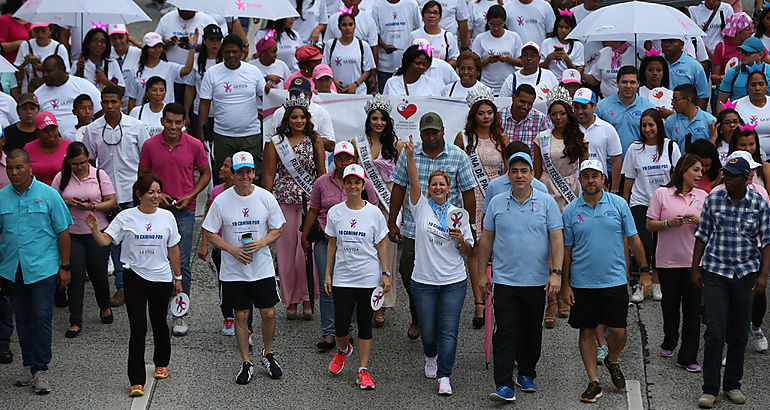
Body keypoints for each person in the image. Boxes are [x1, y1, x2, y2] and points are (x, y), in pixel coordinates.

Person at [561, 159, 652, 404]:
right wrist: (565, 284)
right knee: (587, 330)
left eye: (595, 176)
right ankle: (594, 381)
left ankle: (612, 360)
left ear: (604, 179)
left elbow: (633, 239)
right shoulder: (570, 211)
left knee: (620, 331)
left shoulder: (620, 204)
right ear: (580, 180)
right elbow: (567, 251)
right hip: (582, 283)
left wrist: (645, 271)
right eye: (586, 176)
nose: (590, 180)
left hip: (613, 280)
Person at [85, 174, 181, 397]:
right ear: (139, 194)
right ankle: (136, 380)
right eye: (151, 192)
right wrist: (93, 229)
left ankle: (161, 362)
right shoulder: (125, 217)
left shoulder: (167, 217)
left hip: (161, 277)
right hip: (134, 276)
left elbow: (173, 249)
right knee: (138, 328)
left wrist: (178, 278)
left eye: (158, 191)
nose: (156, 196)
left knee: (159, 322)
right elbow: (105, 241)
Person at [478, 151, 563, 402]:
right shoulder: (497, 202)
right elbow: (486, 239)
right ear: (508, 174)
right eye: (514, 170)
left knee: (531, 331)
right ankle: (504, 385)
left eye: (524, 170)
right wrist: (483, 273)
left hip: (536, 281)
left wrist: (556, 272)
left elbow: (556, 237)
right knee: (504, 333)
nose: (519, 175)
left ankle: (526, 373)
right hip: (504, 280)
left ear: (532, 174)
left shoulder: (546, 202)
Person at [388, 112, 477, 339]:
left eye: (434, 132)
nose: (430, 137)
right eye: (426, 133)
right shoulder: (411, 153)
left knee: (444, 272)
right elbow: (398, 186)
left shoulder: (458, 156)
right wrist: (392, 221)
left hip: (448, 230)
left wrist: (471, 227)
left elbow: (468, 193)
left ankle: (437, 312)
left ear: (443, 131)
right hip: (414, 227)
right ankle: (418, 314)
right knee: (407, 270)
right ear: (420, 133)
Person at [692, 157, 770, 408]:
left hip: (746, 273)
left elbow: (767, 242)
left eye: (733, 175)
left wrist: (763, 275)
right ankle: (710, 388)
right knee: (715, 330)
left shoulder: (759, 203)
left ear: (746, 177)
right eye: (726, 174)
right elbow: (702, 234)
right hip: (716, 271)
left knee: (738, 332)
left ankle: (732, 385)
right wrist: (695, 268)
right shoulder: (713, 199)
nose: (727, 179)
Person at [201, 151, 285, 384]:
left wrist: (262, 242)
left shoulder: (266, 197)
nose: (245, 176)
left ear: (253, 173)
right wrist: (232, 250)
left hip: (262, 267)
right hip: (234, 268)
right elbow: (209, 232)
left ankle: (268, 353)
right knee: (241, 315)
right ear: (233, 174)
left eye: (249, 171)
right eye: (240, 172)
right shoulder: (222, 200)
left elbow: (278, 228)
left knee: (268, 312)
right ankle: (246, 361)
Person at [401, 133, 473, 395]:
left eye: (443, 184)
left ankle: (445, 375)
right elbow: (412, 180)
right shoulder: (420, 207)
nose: (439, 188)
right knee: (428, 329)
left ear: (449, 187)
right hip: (424, 280)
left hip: (454, 280)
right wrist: (409, 156)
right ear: (429, 188)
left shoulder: (458, 214)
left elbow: (468, 250)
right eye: (434, 185)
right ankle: (430, 355)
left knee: (449, 329)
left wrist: (461, 238)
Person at [0, 148, 72, 394]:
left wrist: (64, 266)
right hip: (12, 268)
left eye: (19, 167)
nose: (14, 172)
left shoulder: (49, 195)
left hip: (43, 268)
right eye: (10, 168)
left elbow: (63, 231)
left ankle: (40, 369)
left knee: (41, 317)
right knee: (22, 319)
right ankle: (28, 364)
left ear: (30, 167)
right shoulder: (2, 197)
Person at [138, 102, 210, 336]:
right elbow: (142, 176)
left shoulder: (195, 144)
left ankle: (180, 314)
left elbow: (206, 174)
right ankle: (158, 312)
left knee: (183, 265)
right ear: (162, 121)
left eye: (178, 122)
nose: (173, 126)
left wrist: (191, 195)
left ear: (184, 123)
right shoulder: (149, 145)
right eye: (169, 121)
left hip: (184, 210)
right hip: (156, 211)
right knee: (155, 261)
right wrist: (158, 195)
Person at [303, 141, 379, 350]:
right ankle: (329, 333)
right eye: (339, 158)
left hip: (353, 243)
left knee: (353, 287)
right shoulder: (321, 182)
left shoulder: (364, 183)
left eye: (348, 158)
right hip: (326, 240)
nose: (343, 162)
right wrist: (304, 236)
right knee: (327, 286)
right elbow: (313, 209)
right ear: (333, 159)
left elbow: (373, 208)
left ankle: (348, 329)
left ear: (354, 159)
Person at [82, 86, 151, 308]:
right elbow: (89, 163)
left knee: (138, 238)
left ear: (122, 102)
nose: (109, 106)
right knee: (114, 243)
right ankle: (122, 287)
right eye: (105, 102)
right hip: (108, 195)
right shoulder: (92, 129)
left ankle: (144, 283)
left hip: (133, 192)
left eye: (113, 101)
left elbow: (146, 159)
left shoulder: (136, 126)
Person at [324, 164, 390, 390]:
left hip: (368, 277)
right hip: (343, 276)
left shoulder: (374, 212)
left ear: (363, 185)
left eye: (357, 182)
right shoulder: (335, 212)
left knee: (364, 324)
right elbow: (332, 243)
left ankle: (363, 369)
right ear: (343, 184)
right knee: (341, 327)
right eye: (348, 182)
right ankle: (343, 350)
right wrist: (327, 274)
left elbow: (381, 245)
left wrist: (385, 273)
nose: (352, 186)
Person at [263, 95, 326, 320]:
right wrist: (266, 206)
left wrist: (323, 203)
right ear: (286, 119)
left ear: (307, 119)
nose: (298, 121)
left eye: (302, 117)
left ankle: (308, 297)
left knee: (305, 251)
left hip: (309, 201)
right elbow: (269, 175)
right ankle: (291, 300)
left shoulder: (315, 140)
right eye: (294, 117)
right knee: (286, 255)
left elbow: (321, 173)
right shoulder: (276, 143)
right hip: (283, 202)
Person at [453, 84, 507, 328]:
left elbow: (510, 168)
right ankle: (478, 302)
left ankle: (499, 296)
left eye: (489, 112)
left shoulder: (501, 137)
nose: (486, 117)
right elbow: (455, 168)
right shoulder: (463, 138)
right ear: (473, 115)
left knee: (497, 248)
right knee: (474, 248)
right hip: (471, 195)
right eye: (481, 113)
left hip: (496, 195)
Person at [646, 154, 707, 372]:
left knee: (692, 310)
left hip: (694, 263)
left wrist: (700, 221)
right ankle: (669, 340)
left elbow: (711, 227)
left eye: (701, 171)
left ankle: (689, 355)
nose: (700, 175)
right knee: (670, 305)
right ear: (683, 171)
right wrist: (668, 223)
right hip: (667, 262)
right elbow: (650, 224)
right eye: (696, 170)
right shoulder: (662, 194)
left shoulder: (703, 196)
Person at [52, 142, 116, 338]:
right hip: (72, 234)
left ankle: (104, 306)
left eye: (82, 162)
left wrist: (92, 207)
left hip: (97, 232)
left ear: (88, 158)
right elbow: (52, 201)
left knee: (98, 275)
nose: (79, 167)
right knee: (76, 277)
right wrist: (67, 202)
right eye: (74, 164)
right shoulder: (61, 177)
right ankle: (75, 321)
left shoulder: (99, 175)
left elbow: (112, 201)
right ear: (68, 163)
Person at [351, 94, 403, 326]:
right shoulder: (357, 143)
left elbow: (403, 179)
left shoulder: (397, 145)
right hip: (364, 202)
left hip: (388, 201)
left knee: (386, 254)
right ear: (368, 120)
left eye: (382, 118)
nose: (379, 122)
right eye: (375, 118)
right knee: (364, 252)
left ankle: (381, 303)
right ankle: (363, 298)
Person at [623, 108, 682, 303]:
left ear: (659, 125)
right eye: (644, 125)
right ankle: (642, 280)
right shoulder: (634, 148)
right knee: (643, 243)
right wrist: (624, 205)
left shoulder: (670, 146)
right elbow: (629, 179)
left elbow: (678, 176)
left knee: (659, 245)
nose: (647, 129)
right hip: (641, 201)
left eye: (651, 125)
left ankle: (656, 282)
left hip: (664, 203)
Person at [198, 156, 255, 337]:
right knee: (225, 284)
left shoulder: (252, 193)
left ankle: (247, 324)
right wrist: (204, 245)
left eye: (225, 166)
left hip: (245, 247)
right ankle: (228, 317)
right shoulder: (216, 192)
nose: (221, 168)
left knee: (247, 284)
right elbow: (208, 223)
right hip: (222, 249)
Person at [198, 35, 266, 183]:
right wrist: (202, 132)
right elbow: (204, 103)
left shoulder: (254, 71)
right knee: (224, 178)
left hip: (251, 136)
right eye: (227, 52)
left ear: (242, 52)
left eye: (235, 52)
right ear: (222, 52)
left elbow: (266, 97)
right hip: (223, 136)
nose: (231, 55)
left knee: (251, 178)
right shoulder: (212, 73)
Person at [533, 90, 588, 211]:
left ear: (568, 114)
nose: (558, 117)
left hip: (570, 187)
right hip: (546, 187)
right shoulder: (541, 138)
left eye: (562, 113)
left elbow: (584, 168)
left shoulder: (580, 137)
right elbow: (537, 172)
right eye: (554, 114)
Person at [154, 8, 218, 103]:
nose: (184, 12)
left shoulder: (207, 20)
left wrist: (193, 46)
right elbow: (154, 44)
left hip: (197, 80)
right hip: (171, 79)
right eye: (181, 10)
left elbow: (216, 47)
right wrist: (168, 43)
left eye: (187, 10)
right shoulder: (167, 19)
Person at [596, 66, 656, 166]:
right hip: (609, 167)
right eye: (624, 82)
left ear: (638, 84)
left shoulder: (648, 107)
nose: (628, 86)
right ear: (617, 83)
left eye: (632, 82)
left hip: (639, 166)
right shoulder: (602, 106)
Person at [34, 55, 102, 141]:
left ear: (62, 69)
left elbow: (100, 112)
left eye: (49, 71)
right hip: (54, 142)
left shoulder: (83, 85)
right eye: (43, 71)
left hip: (87, 139)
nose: (45, 75)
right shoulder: (38, 94)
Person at [125, 32, 195, 112]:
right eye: (153, 47)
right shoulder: (135, 71)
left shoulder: (169, 67)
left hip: (167, 116)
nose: (157, 50)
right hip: (143, 116)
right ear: (146, 48)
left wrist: (192, 48)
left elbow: (187, 70)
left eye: (160, 46)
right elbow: (132, 99)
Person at [572, 88, 622, 192]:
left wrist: (614, 190)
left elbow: (616, 161)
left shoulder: (607, 129)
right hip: (572, 188)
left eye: (584, 107)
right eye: (576, 107)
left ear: (594, 106)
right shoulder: (568, 129)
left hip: (598, 187)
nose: (579, 111)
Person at [371, 0, 422, 92]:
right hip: (384, 65)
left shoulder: (412, 4)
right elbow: (374, 32)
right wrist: (384, 45)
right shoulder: (377, 5)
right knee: (385, 100)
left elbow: (419, 29)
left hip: (407, 65)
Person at [471, 5, 522, 94]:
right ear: (487, 22)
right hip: (486, 85)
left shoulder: (514, 37)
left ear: (504, 22)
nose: (496, 28)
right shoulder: (480, 38)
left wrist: (507, 59)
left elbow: (521, 62)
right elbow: (474, 64)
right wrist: (488, 60)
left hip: (508, 85)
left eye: (499, 25)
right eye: (492, 25)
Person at [184, 24, 222, 144]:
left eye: (218, 40)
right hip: (198, 112)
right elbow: (190, 88)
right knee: (201, 145)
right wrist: (186, 113)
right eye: (211, 40)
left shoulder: (226, 61)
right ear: (204, 40)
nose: (215, 44)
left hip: (221, 112)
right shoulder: (196, 60)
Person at [323, 12, 376, 95]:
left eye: (350, 24)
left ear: (355, 25)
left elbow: (368, 70)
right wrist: (333, 80)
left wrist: (355, 84)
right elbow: (325, 68)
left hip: (358, 91)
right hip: (335, 92)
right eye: (344, 25)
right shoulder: (330, 45)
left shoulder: (363, 45)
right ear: (339, 27)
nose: (347, 28)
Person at [13, 23, 70, 93]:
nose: (40, 34)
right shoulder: (25, 45)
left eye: (43, 31)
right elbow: (16, 73)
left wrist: (44, 68)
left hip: (53, 90)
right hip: (28, 90)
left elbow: (65, 73)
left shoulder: (59, 48)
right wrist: (24, 63)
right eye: (36, 31)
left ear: (51, 30)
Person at [665, 84, 717, 153]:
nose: (672, 103)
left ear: (688, 100)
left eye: (676, 99)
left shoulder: (710, 121)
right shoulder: (670, 121)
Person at [499, 84, 552, 152]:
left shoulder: (541, 119)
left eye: (530, 104)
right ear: (513, 98)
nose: (525, 107)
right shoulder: (498, 115)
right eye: (522, 101)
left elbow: (548, 148)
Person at [24, 112, 72, 186]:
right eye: (45, 130)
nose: (50, 134)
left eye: (53, 129)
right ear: (37, 132)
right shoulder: (28, 148)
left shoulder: (69, 147)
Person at [661, 37, 710, 109]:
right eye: (664, 41)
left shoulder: (695, 66)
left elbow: (703, 96)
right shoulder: (656, 63)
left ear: (682, 44)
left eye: (672, 41)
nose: (667, 45)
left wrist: (693, 116)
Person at [73, 28, 125, 94]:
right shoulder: (78, 64)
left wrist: (106, 81)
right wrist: (78, 71)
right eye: (95, 40)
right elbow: (72, 89)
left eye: (102, 41)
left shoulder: (112, 63)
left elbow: (122, 91)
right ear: (88, 44)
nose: (99, 44)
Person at [410, 1, 460, 66]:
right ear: (422, 16)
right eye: (428, 12)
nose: (431, 15)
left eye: (435, 13)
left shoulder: (448, 36)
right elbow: (407, 57)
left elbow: (455, 58)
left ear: (440, 17)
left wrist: (440, 67)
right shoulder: (414, 36)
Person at [540, 9, 584, 79]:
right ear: (556, 27)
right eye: (560, 27)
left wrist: (566, 58)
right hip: (549, 80)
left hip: (569, 82)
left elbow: (577, 72)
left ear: (572, 29)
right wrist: (549, 58)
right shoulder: (547, 42)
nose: (563, 30)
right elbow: (539, 68)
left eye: (567, 28)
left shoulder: (578, 45)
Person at [735, 70, 770, 154]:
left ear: (766, 86)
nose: (757, 88)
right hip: (746, 157)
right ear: (747, 87)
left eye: (761, 84)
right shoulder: (736, 105)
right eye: (753, 85)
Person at [108, 24, 142, 112]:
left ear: (127, 37)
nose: (118, 41)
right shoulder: (107, 53)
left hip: (132, 102)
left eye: (120, 37)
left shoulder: (137, 52)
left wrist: (139, 44)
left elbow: (154, 55)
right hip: (111, 103)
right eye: (113, 39)